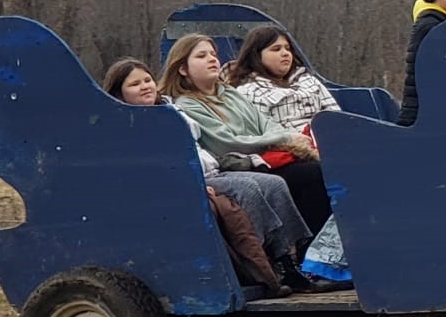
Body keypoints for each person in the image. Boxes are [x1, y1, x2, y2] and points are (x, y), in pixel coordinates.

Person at [102, 58, 335, 294]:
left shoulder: (171, 111)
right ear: (119, 93)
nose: (145, 86)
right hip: (191, 182)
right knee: (248, 190)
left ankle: (291, 259)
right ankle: (262, 265)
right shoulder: (128, 127)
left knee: (273, 184)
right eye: (134, 84)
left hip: (212, 172)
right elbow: (151, 169)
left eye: (147, 80)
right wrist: (192, 185)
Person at [160, 34, 332, 233]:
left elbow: (267, 124)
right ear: (182, 69)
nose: (212, 59)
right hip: (238, 164)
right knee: (310, 175)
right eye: (201, 56)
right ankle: (304, 248)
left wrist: (277, 137)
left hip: (264, 157)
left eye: (214, 54)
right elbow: (227, 143)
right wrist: (284, 138)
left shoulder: (230, 94)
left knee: (320, 169)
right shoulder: (188, 104)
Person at [227, 25, 340, 134]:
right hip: (290, 146)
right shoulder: (251, 91)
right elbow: (258, 134)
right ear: (256, 56)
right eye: (276, 49)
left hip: (327, 139)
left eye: (288, 48)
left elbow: (336, 115)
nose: (285, 53)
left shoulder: (308, 80)